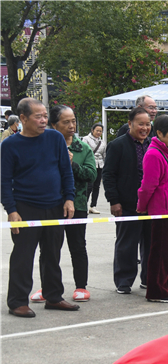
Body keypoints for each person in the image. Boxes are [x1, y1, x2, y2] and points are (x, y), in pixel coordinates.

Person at [2, 98, 78, 318]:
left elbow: (66, 170)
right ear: (23, 118)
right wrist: (11, 210)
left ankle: (53, 297)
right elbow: (4, 181)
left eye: (45, 115)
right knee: (23, 256)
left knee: (52, 254)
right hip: (25, 208)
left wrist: (69, 198)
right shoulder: (9, 145)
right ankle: (17, 301)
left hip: (55, 205)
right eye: (38, 116)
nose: (44, 120)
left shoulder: (55, 138)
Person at [31, 106, 96, 304]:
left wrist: (72, 164)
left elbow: (91, 174)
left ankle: (81, 287)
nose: (71, 126)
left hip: (77, 205)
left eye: (73, 121)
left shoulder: (82, 148)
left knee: (77, 246)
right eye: (66, 122)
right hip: (50, 205)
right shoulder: (44, 146)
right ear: (54, 124)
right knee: (49, 248)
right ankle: (48, 287)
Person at [136, 115, 168, 303]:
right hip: (161, 209)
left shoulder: (166, 151)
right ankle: (155, 290)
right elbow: (148, 185)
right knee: (158, 250)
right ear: (160, 133)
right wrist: (141, 207)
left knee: (164, 251)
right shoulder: (154, 153)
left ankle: (163, 284)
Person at [104, 107, 152, 294]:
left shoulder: (153, 145)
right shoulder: (117, 145)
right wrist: (114, 200)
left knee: (150, 244)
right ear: (130, 124)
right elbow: (108, 175)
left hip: (150, 205)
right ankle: (123, 281)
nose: (145, 128)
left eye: (148, 124)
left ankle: (148, 278)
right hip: (127, 204)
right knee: (126, 245)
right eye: (140, 124)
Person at [82, 123, 106, 214]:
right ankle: (85, 205)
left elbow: (104, 155)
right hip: (90, 165)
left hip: (100, 165)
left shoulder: (102, 142)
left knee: (97, 186)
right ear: (92, 130)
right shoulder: (86, 139)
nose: (99, 132)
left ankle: (93, 205)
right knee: (89, 186)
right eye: (97, 130)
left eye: (100, 131)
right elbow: (84, 152)